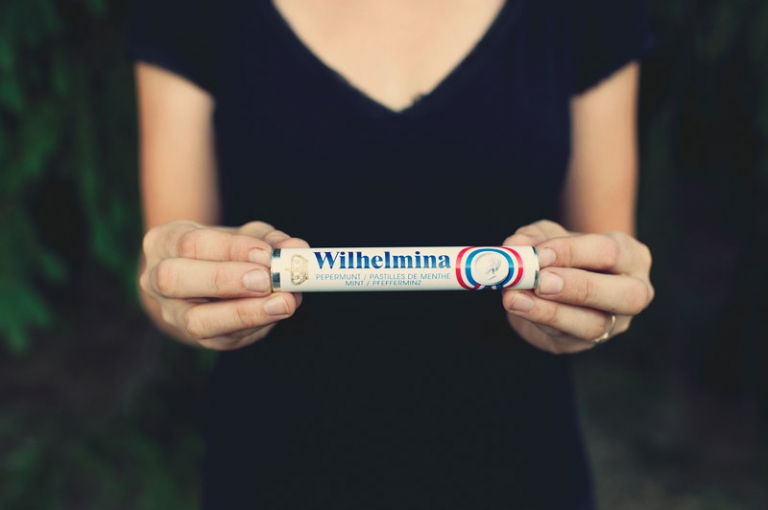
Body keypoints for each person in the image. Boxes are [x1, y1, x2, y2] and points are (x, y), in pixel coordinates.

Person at [129, 0, 655, 507]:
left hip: (519, 469)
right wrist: (180, 289)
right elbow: (168, 275)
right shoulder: (189, 7)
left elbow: (605, 260)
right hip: (272, 468)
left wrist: (593, 298)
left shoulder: (590, 7)